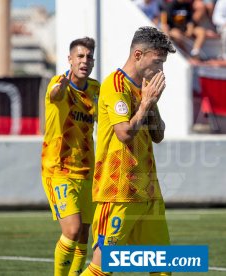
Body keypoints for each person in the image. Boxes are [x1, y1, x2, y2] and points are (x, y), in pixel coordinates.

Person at [80, 26, 176, 276]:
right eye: (157, 62)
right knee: (102, 267)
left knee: (163, 266)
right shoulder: (115, 84)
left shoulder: (144, 89)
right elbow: (124, 133)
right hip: (118, 191)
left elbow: (158, 135)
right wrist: (145, 104)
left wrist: (151, 104)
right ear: (138, 55)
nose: (161, 70)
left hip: (148, 191)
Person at [41, 37, 99, 276]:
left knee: (85, 232)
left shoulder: (96, 90)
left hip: (87, 171)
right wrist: (60, 89)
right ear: (70, 59)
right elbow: (55, 95)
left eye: (89, 57)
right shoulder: (59, 84)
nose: (84, 61)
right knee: (72, 230)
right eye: (80, 56)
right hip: (59, 170)